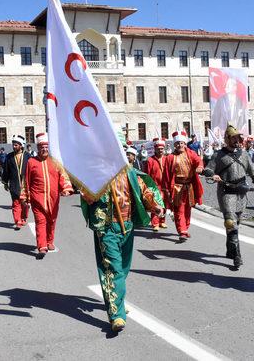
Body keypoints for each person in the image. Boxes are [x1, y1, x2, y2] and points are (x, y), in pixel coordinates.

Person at [80, 146, 163, 332]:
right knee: (113, 269)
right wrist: (95, 190)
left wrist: (155, 205)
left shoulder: (131, 173)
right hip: (107, 228)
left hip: (127, 226)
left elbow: (145, 192)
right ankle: (116, 316)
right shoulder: (98, 174)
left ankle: (116, 298)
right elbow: (86, 195)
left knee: (124, 268)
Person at [202, 125, 254, 268]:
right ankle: (237, 255)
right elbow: (207, 169)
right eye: (235, 138)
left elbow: (253, 171)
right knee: (230, 222)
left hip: (241, 192)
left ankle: (230, 248)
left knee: (235, 223)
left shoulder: (244, 154)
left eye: (239, 137)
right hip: (226, 191)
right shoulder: (218, 155)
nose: (237, 140)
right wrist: (213, 174)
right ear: (228, 139)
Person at [20, 133, 72, 258]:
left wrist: (65, 188)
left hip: (53, 200)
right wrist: (25, 197)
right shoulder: (31, 162)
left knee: (52, 221)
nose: (44, 149)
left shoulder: (55, 161)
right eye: (42, 147)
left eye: (46, 147)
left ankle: (49, 241)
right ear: (37, 148)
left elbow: (63, 176)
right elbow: (26, 181)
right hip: (37, 199)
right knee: (40, 221)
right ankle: (42, 246)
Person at [162, 131, 204, 242]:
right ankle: (182, 231)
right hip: (177, 187)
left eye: (182, 143)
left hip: (189, 186)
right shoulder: (170, 157)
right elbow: (166, 174)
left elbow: (198, 160)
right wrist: (166, 189)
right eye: (177, 143)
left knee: (188, 209)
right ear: (174, 145)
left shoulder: (190, 153)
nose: (180, 145)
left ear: (185, 144)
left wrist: (199, 166)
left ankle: (185, 227)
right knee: (179, 209)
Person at [2, 135, 31, 229]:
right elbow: (6, 170)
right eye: (13, 145)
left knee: (25, 204)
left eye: (16, 145)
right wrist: (5, 182)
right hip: (14, 184)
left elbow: (33, 170)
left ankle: (23, 218)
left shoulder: (28, 156)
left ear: (21, 145)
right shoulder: (9, 157)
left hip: (26, 185)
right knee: (16, 203)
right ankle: (17, 221)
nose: (14, 147)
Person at [145, 138, 168, 231]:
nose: (160, 150)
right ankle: (155, 223)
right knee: (156, 204)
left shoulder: (167, 159)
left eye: (162, 149)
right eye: (158, 149)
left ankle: (162, 221)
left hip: (165, 186)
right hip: (155, 186)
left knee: (165, 204)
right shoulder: (150, 160)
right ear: (155, 149)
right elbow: (147, 174)